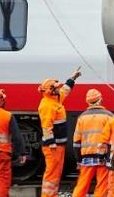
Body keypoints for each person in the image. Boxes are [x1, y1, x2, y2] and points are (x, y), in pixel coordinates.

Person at [38, 68, 82, 197]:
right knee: (52, 172)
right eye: (56, 88)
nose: (59, 89)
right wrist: (51, 143)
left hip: (58, 145)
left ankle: (52, 194)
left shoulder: (55, 99)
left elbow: (65, 90)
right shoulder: (47, 105)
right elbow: (46, 127)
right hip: (53, 147)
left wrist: (73, 78)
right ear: (50, 90)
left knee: (56, 172)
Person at [72, 89, 114, 197]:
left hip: (86, 157)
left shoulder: (82, 117)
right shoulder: (109, 116)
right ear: (100, 100)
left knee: (82, 184)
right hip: (103, 156)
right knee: (102, 184)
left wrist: (78, 160)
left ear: (88, 102)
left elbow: (76, 141)